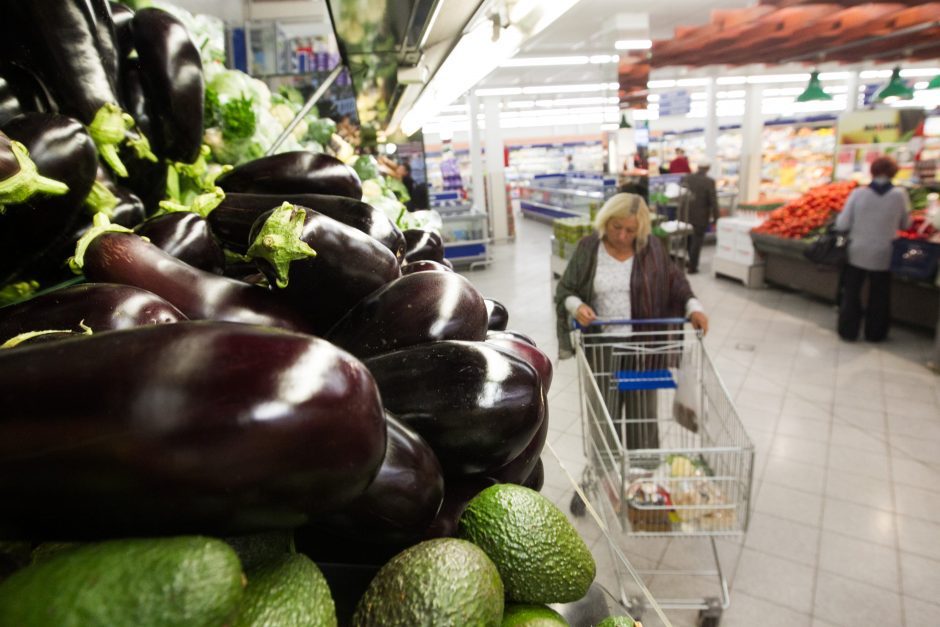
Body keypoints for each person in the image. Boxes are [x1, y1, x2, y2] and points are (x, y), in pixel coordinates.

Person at [554, 193, 708, 461]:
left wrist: (694, 306)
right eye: (617, 227)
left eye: (631, 230)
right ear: (606, 220)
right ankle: (605, 476)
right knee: (603, 416)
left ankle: (643, 475)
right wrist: (577, 306)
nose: (623, 236)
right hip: (602, 348)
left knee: (643, 418)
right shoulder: (589, 248)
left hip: (643, 348)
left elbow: (676, 282)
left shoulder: (652, 250)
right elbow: (566, 289)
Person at [835, 156, 910, 342]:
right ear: (894, 172)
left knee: (852, 292)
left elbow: (842, 223)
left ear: (872, 171)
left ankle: (848, 330)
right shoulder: (899, 195)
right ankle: (876, 333)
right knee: (880, 295)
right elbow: (906, 224)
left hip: (857, 250)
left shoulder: (859, 193)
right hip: (885, 252)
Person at [680, 159, 719, 274]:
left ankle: (690, 260)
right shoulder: (709, 181)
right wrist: (717, 218)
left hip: (685, 214)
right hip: (700, 216)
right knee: (697, 241)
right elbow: (713, 201)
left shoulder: (687, 178)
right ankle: (693, 266)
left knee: (688, 239)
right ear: (708, 168)